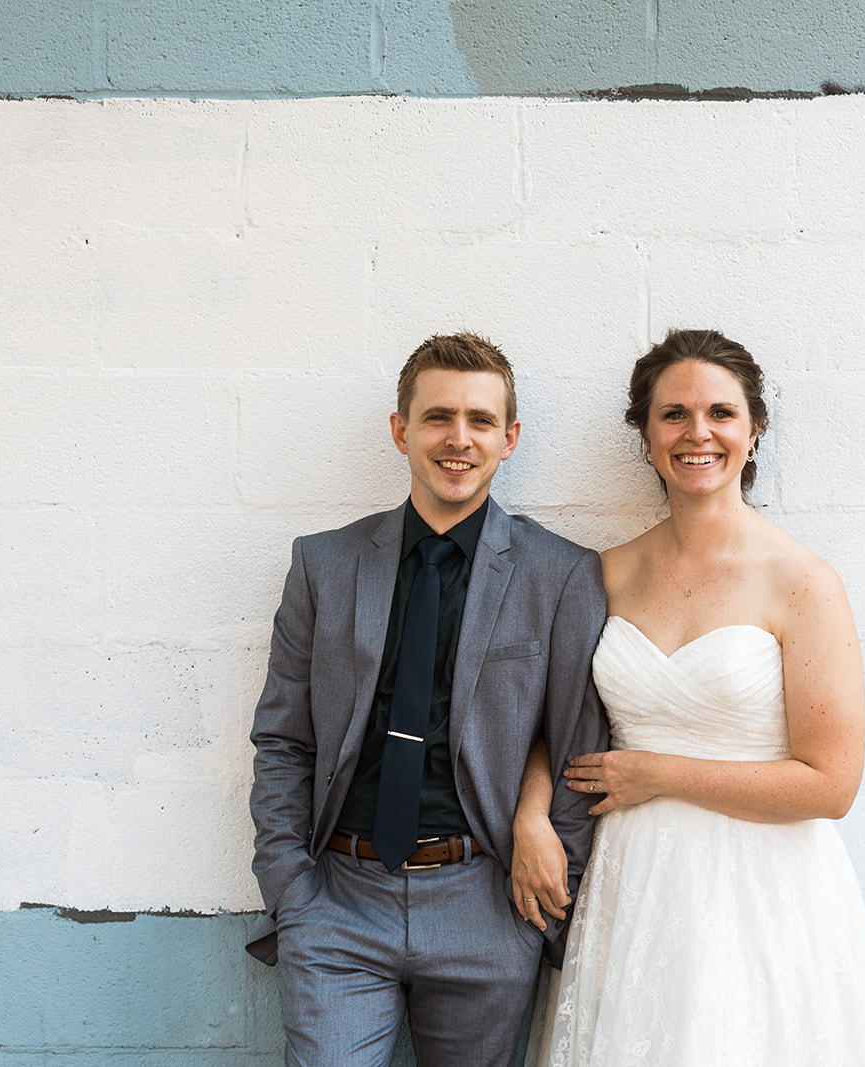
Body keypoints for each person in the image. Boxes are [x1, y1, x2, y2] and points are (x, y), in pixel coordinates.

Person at [511, 329, 865, 1065]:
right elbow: (551, 722)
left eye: (721, 412)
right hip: (632, 881)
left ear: (753, 431)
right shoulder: (603, 574)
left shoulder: (803, 582)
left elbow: (832, 783)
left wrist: (658, 773)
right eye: (674, 414)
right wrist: (532, 810)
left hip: (766, 891)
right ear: (646, 434)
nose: (699, 433)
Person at [247, 332, 609, 1066]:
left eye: (481, 420)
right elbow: (285, 739)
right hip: (339, 901)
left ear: (509, 439)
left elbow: (579, 744)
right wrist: (293, 891)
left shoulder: (562, 574)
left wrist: (545, 898)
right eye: (438, 416)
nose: (458, 438)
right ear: (400, 429)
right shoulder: (324, 564)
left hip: (486, 902)